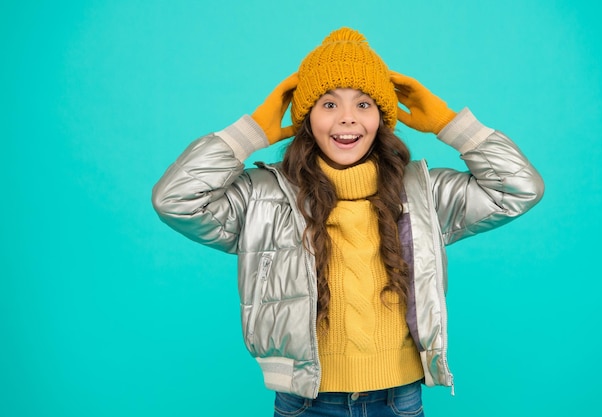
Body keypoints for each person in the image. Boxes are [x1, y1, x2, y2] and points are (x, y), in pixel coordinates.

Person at [152, 27, 544, 417]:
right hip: (305, 402)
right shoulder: (263, 197)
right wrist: (247, 134)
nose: (347, 119)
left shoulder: (425, 193)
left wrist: (450, 124)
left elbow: (519, 190)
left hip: (398, 399)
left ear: (381, 117)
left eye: (363, 104)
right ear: (306, 118)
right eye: (328, 104)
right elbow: (175, 200)